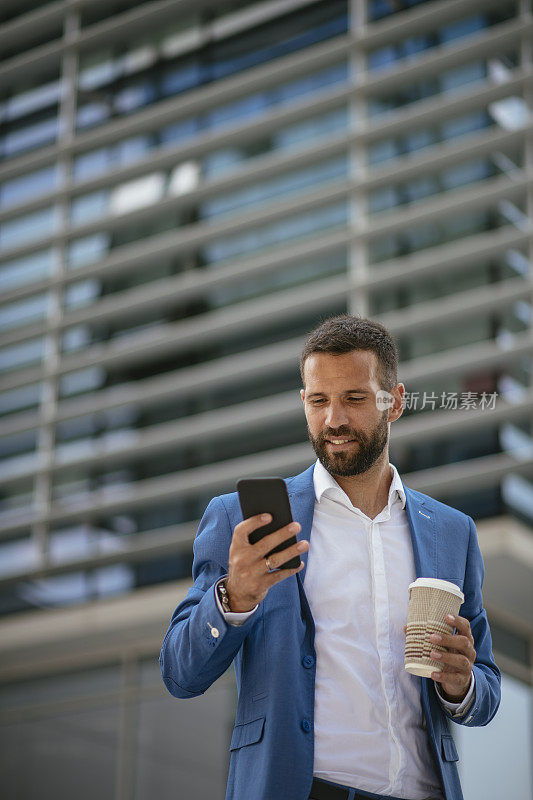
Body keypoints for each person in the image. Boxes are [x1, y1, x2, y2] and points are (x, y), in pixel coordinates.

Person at [160, 314, 501, 800]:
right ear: (304, 402)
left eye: (354, 399)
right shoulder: (241, 520)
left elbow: (485, 689)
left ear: (395, 402)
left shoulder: (452, 532)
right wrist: (232, 597)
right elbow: (179, 673)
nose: (333, 419)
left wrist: (461, 684)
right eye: (318, 401)